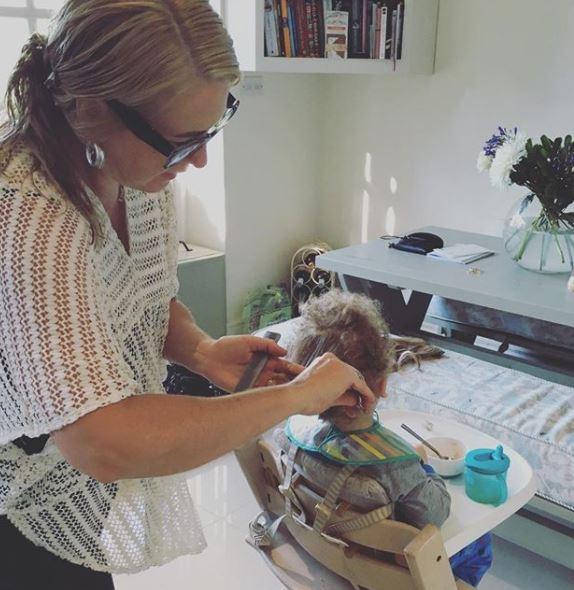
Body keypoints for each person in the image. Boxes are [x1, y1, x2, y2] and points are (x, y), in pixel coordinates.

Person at [0, 2, 376, 589]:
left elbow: (143, 297)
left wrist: (200, 350)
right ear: (92, 110)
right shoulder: (30, 213)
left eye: (211, 130)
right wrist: (297, 397)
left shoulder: (137, 175)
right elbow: (103, 438)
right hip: (15, 490)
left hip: (69, 478)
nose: (198, 159)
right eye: (181, 141)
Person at [276, 290, 493, 587]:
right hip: (385, 565)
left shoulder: (293, 430)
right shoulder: (397, 465)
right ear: (382, 383)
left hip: (328, 546)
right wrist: (422, 465)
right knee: (481, 544)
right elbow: (436, 512)